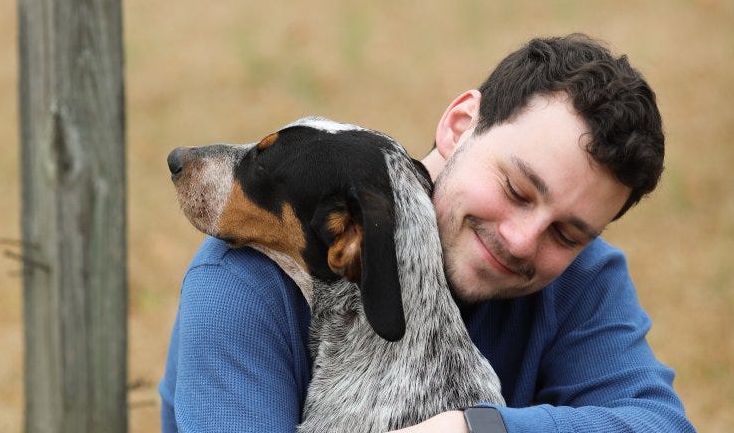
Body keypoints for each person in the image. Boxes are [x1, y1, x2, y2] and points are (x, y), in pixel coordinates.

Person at [158, 34, 696, 433]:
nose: (522, 241)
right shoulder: (247, 281)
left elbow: (660, 425)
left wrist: (475, 428)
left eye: (568, 233)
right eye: (515, 188)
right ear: (460, 125)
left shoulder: (583, 275)